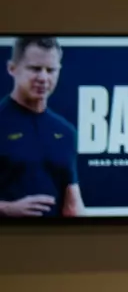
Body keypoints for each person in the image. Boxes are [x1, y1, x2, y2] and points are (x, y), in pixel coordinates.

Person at [0, 35, 83, 218]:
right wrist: (7, 209)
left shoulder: (65, 131)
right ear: (12, 68)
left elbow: (72, 204)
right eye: (35, 69)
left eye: (51, 70)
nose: (43, 78)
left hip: (55, 236)